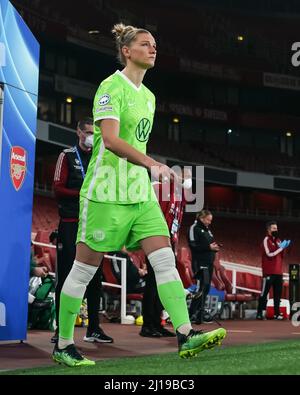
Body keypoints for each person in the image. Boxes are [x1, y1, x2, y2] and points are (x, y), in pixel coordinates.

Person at [52, 23, 226, 367]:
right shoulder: (110, 87)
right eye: (146, 44)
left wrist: (147, 172)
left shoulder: (149, 97)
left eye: (155, 45)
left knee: (164, 259)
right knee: (84, 268)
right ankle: (63, 343)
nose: (153, 49)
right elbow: (113, 141)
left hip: (139, 194)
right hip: (105, 192)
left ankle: (185, 333)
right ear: (127, 51)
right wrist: (154, 165)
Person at [52, 117, 113, 345]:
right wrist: (84, 194)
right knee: (67, 275)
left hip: (94, 225)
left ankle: (94, 329)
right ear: (78, 132)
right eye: (87, 132)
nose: (90, 137)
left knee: (96, 277)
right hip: (70, 223)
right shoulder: (66, 156)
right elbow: (57, 189)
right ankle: (61, 330)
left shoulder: (100, 159)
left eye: (94, 133)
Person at [139, 167, 192, 338]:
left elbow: (175, 218)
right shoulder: (161, 189)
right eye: (186, 177)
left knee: (161, 283)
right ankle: (148, 324)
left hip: (169, 241)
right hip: (156, 240)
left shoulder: (179, 195)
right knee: (153, 283)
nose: (188, 181)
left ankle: (157, 322)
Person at [188, 210, 220, 324]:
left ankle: (199, 314)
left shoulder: (207, 230)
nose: (209, 222)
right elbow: (193, 245)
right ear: (202, 218)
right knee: (200, 288)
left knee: (206, 288)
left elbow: (209, 245)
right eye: (208, 220)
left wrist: (214, 247)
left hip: (209, 262)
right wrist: (208, 247)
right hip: (199, 262)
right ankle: (191, 314)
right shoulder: (194, 228)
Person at [256, 221, 291, 320]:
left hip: (278, 272)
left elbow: (282, 256)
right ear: (268, 230)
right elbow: (269, 254)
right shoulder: (266, 239)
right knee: (264, 293)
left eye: (276, 228)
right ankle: (260, 312)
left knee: (277, 294)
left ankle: (276, 313)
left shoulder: (279, 240)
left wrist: (284, 247)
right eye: (273, 228)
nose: (276, 230)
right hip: (268, 272)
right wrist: (280, 248)